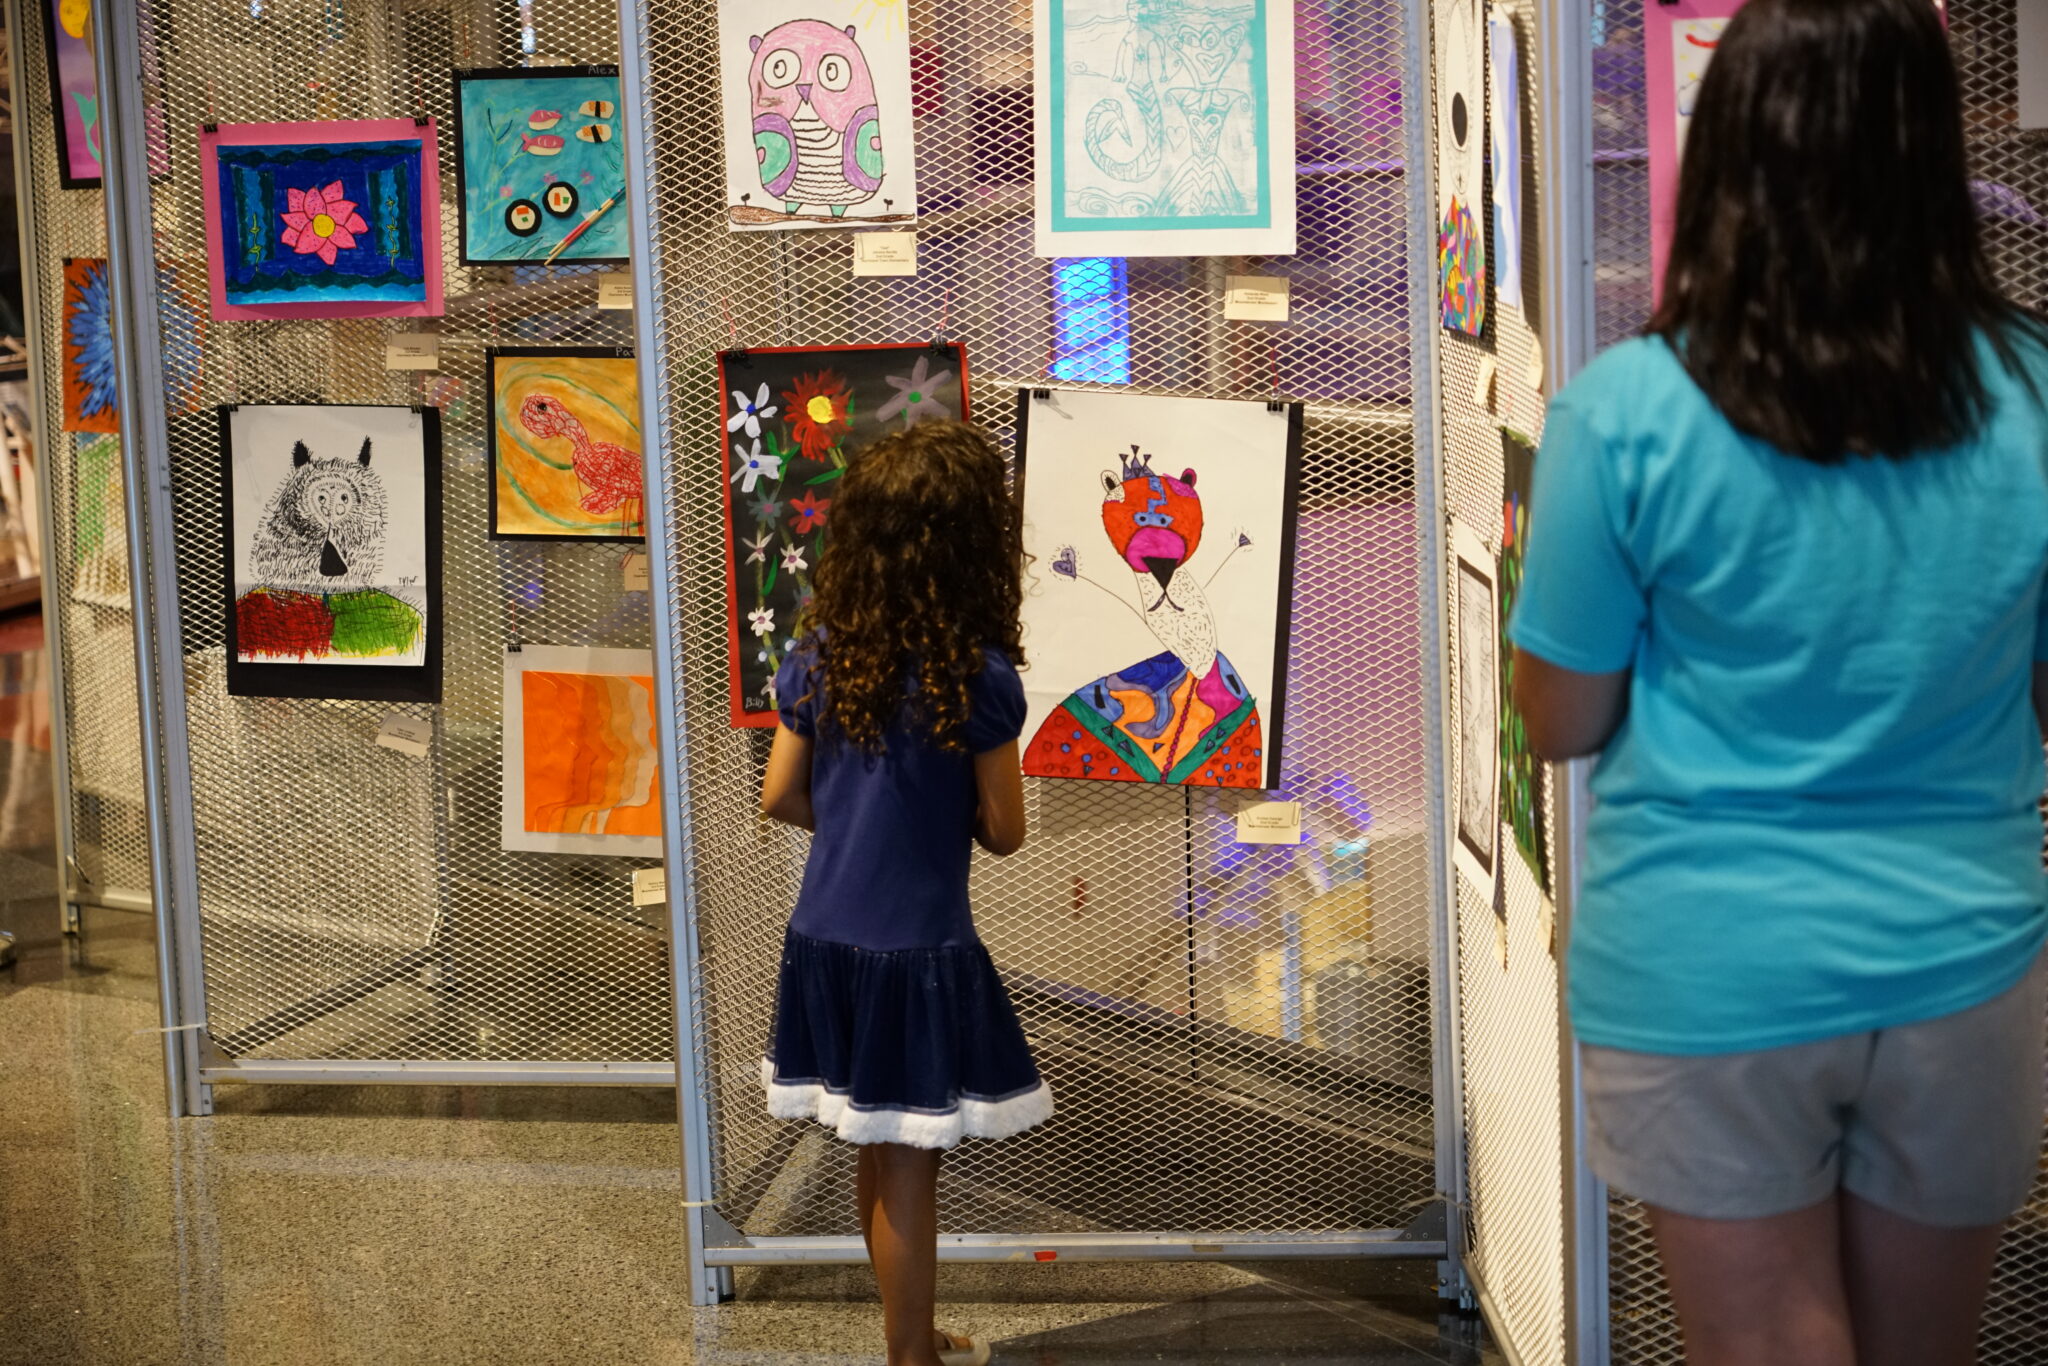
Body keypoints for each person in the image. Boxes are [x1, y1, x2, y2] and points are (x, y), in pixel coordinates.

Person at [1508, 2, 2048, 1363]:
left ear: (1729, 151)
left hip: (1706, 963)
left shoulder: (1622, 410)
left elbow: (1560, 719)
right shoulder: (2034, 396)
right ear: (1936, 152)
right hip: (1960, 956)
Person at [758, 419, 1053, 1366]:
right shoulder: (978, 677)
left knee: (873, 1146)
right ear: (971, 543)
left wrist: (855, 828)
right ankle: (911, 1360)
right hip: (918, 950)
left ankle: (912, 1335)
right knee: (912, 1166)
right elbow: (1004, 831)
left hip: (823, 939)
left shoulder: (818, 655)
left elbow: (778, 795)